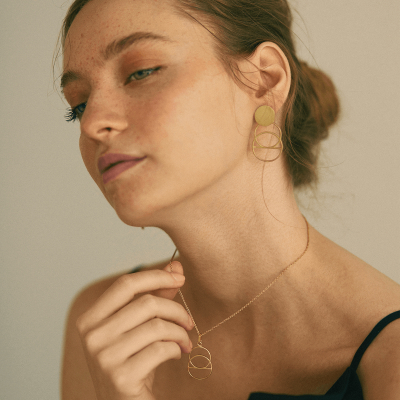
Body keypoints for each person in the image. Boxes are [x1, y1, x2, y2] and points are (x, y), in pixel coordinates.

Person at [57, 0, 400, 399]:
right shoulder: (105, 329)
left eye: (140, 72)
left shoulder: (390, 357)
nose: (92, 123)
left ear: (264, 80)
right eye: (78, 105)